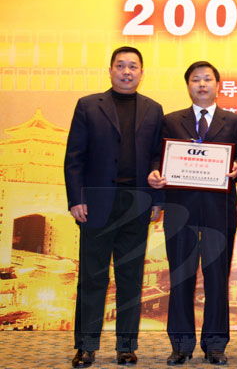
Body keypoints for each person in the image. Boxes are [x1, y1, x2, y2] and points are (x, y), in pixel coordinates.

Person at [147, 61, 237, 366]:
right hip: (180, 211)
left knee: (217, 279)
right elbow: (157, 156)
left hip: (219, 212)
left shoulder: (234, 121)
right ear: (188, 86)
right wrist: (154, 172)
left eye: (208, 79)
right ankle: (181, 345)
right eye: (196, 80)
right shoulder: (171, 120)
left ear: (217, 85)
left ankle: (216, 344)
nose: (202, 84)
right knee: (181, 277)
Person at [64, 46, 164, 368]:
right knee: (92, 277)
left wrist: (157, 199)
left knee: (131, 278)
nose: (126, 71)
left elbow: (158, 157)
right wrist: (76, 198)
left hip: (137, 203)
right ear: (110, 71)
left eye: (133, 66)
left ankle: (126, 346)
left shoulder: (153, 110)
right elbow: (74, 157)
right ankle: (86, 346)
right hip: (95, 204)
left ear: (141, 73)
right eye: (120, 65)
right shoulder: (88, 105)